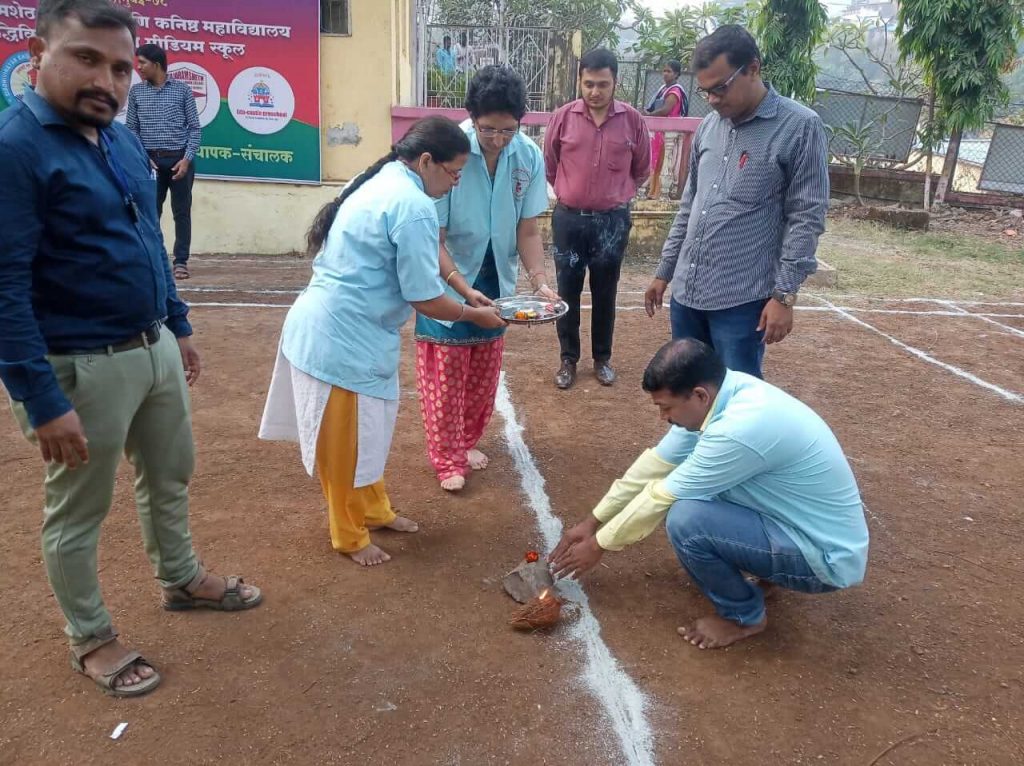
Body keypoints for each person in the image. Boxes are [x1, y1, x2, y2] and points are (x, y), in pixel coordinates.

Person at [0, 0, 262, 699]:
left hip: (150, 347)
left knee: (171, 472)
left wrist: (177, 323)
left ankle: (179, 579)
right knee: (78, 511)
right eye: (87, 59)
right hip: (79, 365)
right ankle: (90, 637)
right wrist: (41, 398)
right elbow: (5, 285)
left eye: (119, 67)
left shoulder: (117, 140)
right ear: (38, 53)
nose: (108, 81)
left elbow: (145, 236)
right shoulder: (15, 148)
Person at [258, 117, 506, 567]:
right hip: (337, 337)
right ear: (426, 161)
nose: (455, 184)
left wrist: (465, 287)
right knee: (344, 445)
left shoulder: (385, 179)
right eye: (453, 173)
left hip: (352, 332)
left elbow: (427, 251)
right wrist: (474, 315)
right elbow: (424, 297)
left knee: (367, 434)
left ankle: (373, 510)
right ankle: (348, 536)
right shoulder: (410, 202)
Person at [550, 339, 868, 650]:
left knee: (687, 519)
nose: (663, 418)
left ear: (699, 395)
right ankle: (768, 574)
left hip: (826, 560)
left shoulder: (737, 429)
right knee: (706, 492)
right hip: (800, 528)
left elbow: (661, 496)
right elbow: (652, 467)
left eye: (666, 408)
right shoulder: (725, 395)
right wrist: (592, 522)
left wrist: (599, 545)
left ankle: (743, 617)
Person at [644, 25, 829, 379]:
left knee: (737, 398)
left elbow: (806, 216)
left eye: (720, 88)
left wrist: (785, 295)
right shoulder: (708, 128)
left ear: (753, 68)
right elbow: (690, 205)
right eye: (705, 91)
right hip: (687, 294)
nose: (712, 100)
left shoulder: (800, 127)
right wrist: (664, 271)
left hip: (741, 302)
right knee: (689, 390)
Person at [415, 66, 558, 493]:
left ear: (521, 121)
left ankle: (466, 441)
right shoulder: (449, 150)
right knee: (447, 370)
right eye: (487, 129)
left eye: (507, 130)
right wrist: (460, 286)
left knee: (483, 370)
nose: (497, 139)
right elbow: (433, 239)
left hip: (498, 275)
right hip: (447, 275)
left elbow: (527, 229)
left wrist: (539, 282)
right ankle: (445, 458)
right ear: (472, 118)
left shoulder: (528, 155)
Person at [545, 48, 651, 390]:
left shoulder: (633, 120)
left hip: (612, 223)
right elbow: (550, 163)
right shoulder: (562, 117)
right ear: (580, 81)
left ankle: (602, 358)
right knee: (567, 291)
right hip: (569, 220)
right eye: (588, 83)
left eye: (602, 84)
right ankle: (568, 359)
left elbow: (641, 170)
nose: (595, 91)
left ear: (615, 83)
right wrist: (573, 193)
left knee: (606, 291)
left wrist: (612, 196)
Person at [126, 42, 201, 281]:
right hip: (150, 164)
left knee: (182, 212)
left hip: (180, 162)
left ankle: (181, 261)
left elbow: (194, 128)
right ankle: (152, 259)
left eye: (143, 63)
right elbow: (131, 129)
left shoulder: (182, 90)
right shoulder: (136, 92)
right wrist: (143, 158)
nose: (138, 68)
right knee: (149, 213)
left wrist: (187, 159)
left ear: (156, 64)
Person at [644, 59, 688, 200]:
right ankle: (652, 191)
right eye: (664, 71)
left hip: (668, 133)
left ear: (676, 74)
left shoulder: (675, 91)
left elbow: (666, 109)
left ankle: (658, 193)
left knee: (663, 162)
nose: (665, 74)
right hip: (659, 132)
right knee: (655, 162)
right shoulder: (663, 89)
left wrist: (650, 115)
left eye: (669, 71)